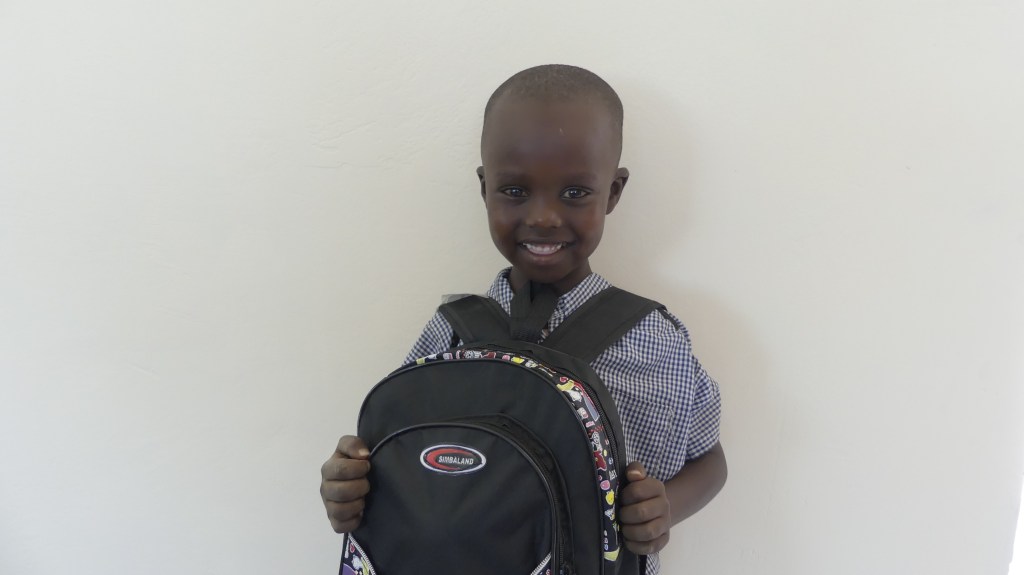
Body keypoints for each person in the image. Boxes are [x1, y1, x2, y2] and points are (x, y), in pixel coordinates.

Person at [320, 64, 728, 574]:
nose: (543, 218)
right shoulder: (450, 331)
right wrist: (350, 484)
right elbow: (395, 458)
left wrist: (666, 507)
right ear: (484, 187)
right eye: (515, 191)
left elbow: (710, 459)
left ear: (614, 192)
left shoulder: (654, 339)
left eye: (575, 192)